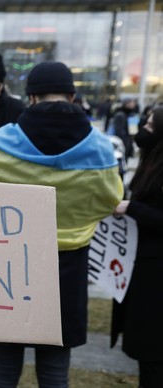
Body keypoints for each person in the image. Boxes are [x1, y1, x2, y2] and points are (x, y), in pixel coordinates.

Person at [0, 61, 124, 387]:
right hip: (68, 269)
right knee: (55, 370)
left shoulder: (7, 141)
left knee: (3, 366)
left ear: (30, 98)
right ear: (72, 96)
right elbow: (111, 199)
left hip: (13, 265)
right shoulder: (98, 147)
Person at [111, 106, 163, 388]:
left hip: (156, 277)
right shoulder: (152, 161)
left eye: (152, 126)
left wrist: (133, 208)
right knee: (148, 356)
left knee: (153, 355)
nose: (144, 130)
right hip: (145, 268)